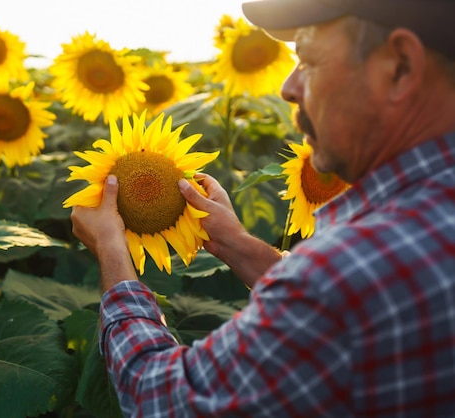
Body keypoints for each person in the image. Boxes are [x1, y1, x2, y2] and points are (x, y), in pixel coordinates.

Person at [70, 0, 455, 416]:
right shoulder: (417, 232)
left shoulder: (348, 269)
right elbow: (356, 317)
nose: (288, 87)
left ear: (399, 67)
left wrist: (112, 251)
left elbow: (160, 399)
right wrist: (237, 243)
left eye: (308, 59)